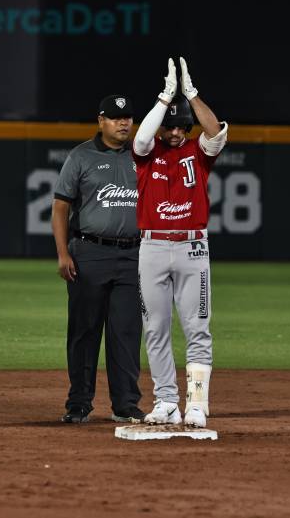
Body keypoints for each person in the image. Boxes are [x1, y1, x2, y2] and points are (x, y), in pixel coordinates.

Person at [131, 58, 229, 427]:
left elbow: (215, 132)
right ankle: (166, 401)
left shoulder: (198, 152)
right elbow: (141, 139)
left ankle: (197, 404)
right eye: (170, 126)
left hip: (192, 247)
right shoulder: (147, 154)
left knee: (197, 328)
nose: (174, 132)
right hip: (152, 247)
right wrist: (164, 98)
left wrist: (191, 94)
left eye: (180, 126)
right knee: (155, 329)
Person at [52, 94, 145, 424]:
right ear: (101, 120)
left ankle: (125, 404)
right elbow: (60, 207)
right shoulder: (81, 156)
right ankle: (79, 403)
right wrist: (63, 253)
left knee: (126, 332)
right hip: (89, 252)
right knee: (84, 330)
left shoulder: (142, 154)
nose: (124, 123)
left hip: (133, 255)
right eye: (116, 117)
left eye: (128, 117)